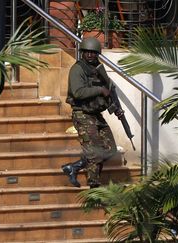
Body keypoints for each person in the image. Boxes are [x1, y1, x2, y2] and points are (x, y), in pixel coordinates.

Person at [61, 37, 124, 188]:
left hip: (96, 114)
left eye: (93, 53)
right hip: (82, 113)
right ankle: (94, 187)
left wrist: (116, 109)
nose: (90, 55)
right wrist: (99, 89)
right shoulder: (78, 69)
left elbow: (108, 93)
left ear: (97, 54)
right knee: (95, 151)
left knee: (110, 150)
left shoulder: (99, 71)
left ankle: (74, 167)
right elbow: (77, 92)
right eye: (87, 52)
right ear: (82, 52)